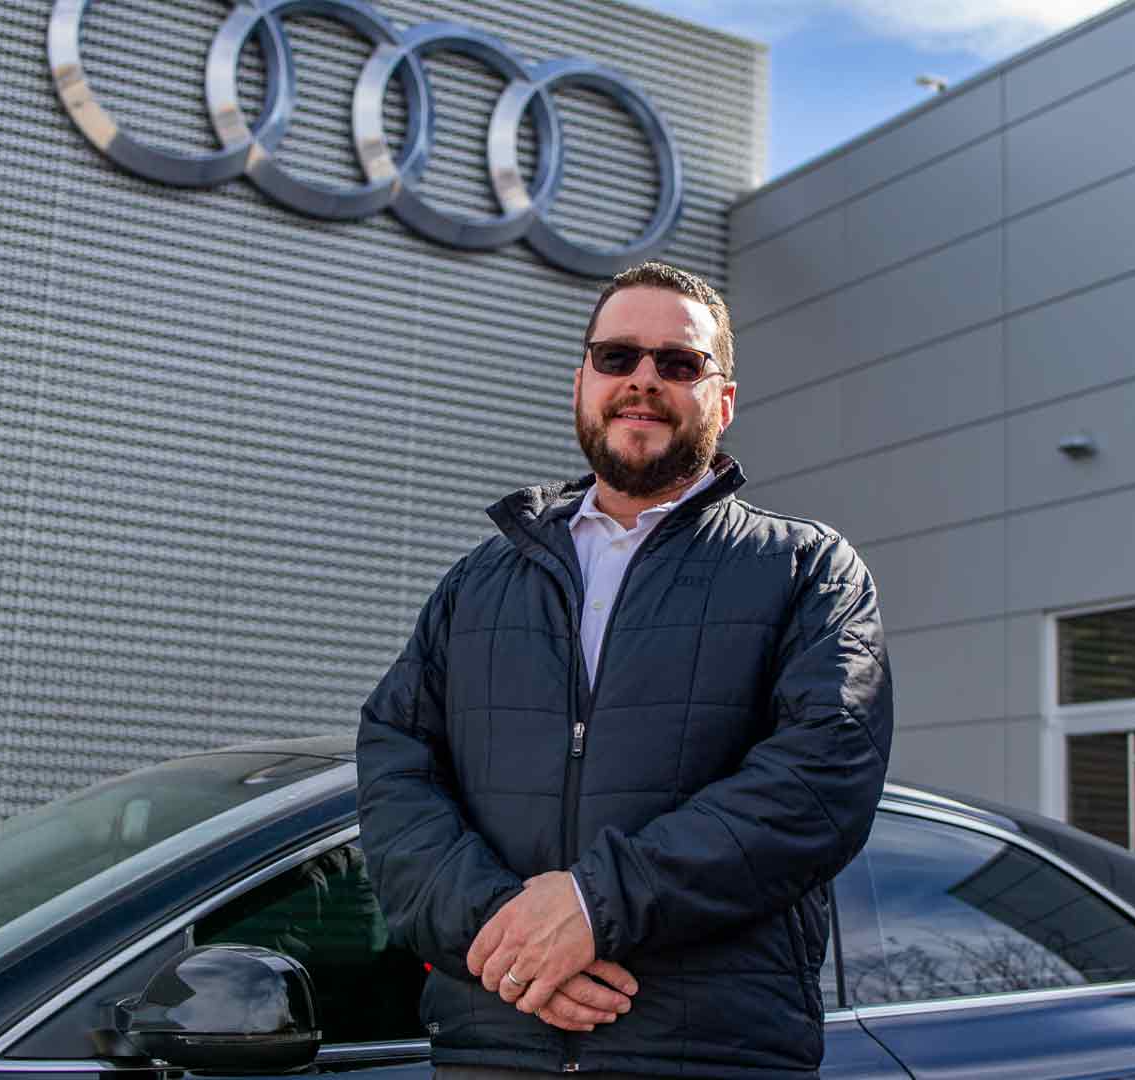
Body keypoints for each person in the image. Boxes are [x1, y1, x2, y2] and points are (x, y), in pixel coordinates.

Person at [357, 261, 893, 1079]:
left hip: (711, 1056)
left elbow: (821, 781)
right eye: (617, 358)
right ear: (582, 381)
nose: (643, 380)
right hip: (493, 1050)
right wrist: (504, 929)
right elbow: (395, 773)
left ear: (723, 400)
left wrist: (592, 906)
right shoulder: (477, 584)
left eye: (678, 364)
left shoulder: (809, 571)